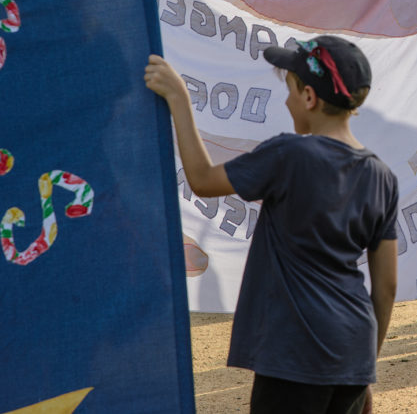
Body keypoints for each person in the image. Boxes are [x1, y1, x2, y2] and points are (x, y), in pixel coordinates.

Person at [144, 35, 398, 413]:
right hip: (353, 349)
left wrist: (179, 99)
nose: (286, 100)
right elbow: (387, 286)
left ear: (310, 97)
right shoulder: (382, 175)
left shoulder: (289, 154)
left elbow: (201, 179)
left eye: (291, 90)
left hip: (295, 353)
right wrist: (361, 365)